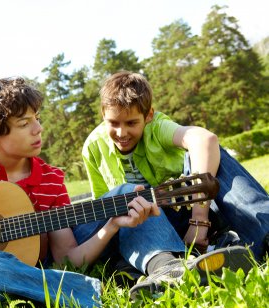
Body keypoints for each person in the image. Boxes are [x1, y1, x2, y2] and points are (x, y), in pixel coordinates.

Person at [0, 77, 250, 308]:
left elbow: (68, 258)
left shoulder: (49, 178)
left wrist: (111, 225)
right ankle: (92, 296)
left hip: (39, 268)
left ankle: (169, 271)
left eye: (37, 118)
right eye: (25, 124)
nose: (39, 129)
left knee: (128, 193)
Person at [82, 71, 266, 295]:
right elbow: (104, 207)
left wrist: (199, 220)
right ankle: (172, 266)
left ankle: (261, 234)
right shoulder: (93, 147)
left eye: (131, 123)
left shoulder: (156, 126)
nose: (122, 132)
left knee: (212, 156)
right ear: (103, 114)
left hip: (189, 210)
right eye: (113, 123)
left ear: (148, 115)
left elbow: (204, 139)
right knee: (128, 197)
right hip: (145, 231)